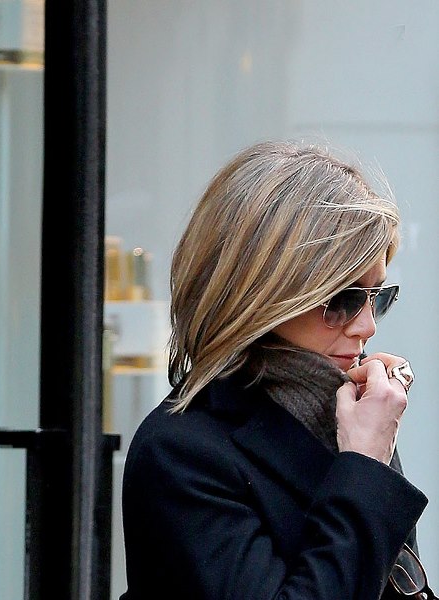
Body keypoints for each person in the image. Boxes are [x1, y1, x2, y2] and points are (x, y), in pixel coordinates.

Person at [121, 140, 435, 599]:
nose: (366, 325)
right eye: (343, 299)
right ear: (263, 295)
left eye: (377, 297)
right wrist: (365, 466)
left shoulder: (348, 415)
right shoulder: (181, 454)